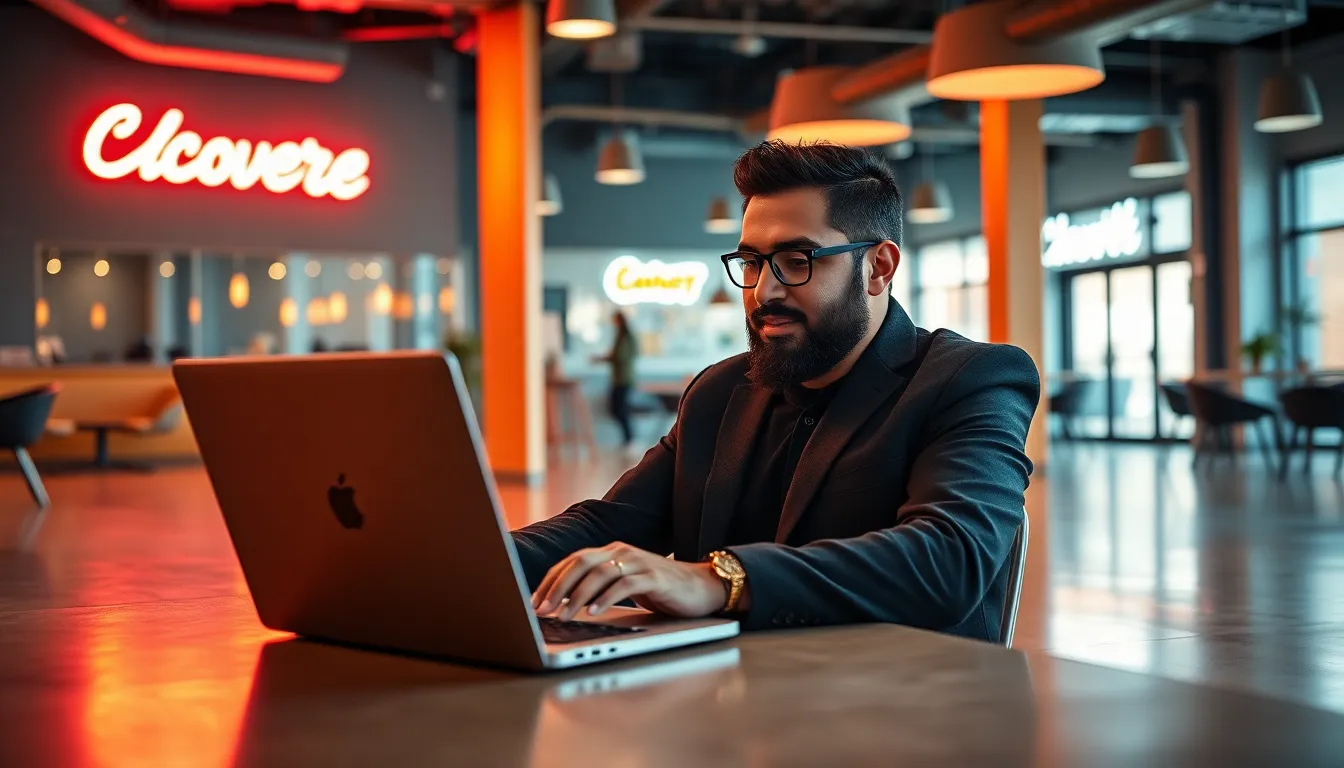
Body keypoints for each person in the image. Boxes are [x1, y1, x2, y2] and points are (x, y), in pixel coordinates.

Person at [511, 140, 1039, 642]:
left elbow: (949, 560)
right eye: (752, 262)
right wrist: (476, 561)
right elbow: (611, 526)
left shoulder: (971, 380)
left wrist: (717, 580)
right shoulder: (720, 391)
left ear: (878, 268)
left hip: (899, 711)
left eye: (797, 260)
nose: (765, 290)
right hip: (725, 703)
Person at [592, 310, 639, 453]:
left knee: (621, 410)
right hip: (618, 379)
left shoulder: (626, 337)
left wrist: (605, 358)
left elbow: (620, 356)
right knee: (616, 409)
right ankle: (628, 440)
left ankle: (630, 440)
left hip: (624, 379)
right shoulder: (620, 336)